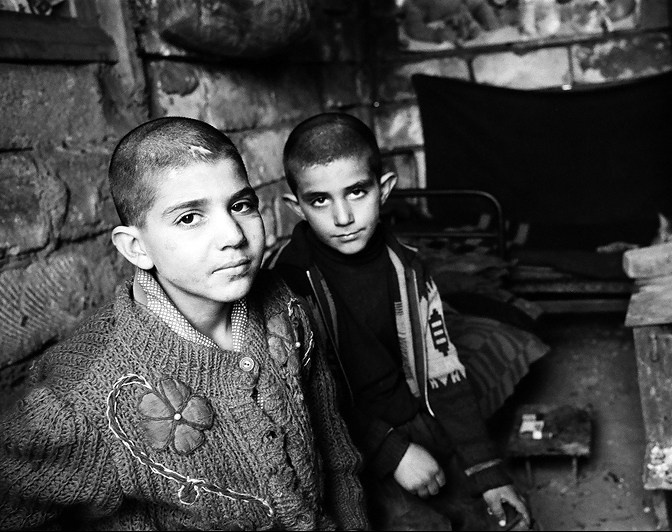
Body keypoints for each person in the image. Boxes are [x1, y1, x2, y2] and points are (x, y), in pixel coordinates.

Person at [0, 116, 367, 531]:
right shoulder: (82, 397)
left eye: (241, 205)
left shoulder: (284, 304)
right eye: (190, 218)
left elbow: (335, 451)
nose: (233, 236)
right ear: (136, 247)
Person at [270, 112, 533, 531]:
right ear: (295, 207)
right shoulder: (287, 287)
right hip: (349, 446)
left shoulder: (408, 267)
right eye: (320, 200)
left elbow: (444, 372)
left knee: (503, 517)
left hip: (416, 416)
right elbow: (310, 401)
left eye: (357, 192)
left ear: (385, 189)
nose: (343, 217)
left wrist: (487, 472)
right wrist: (392, 452)